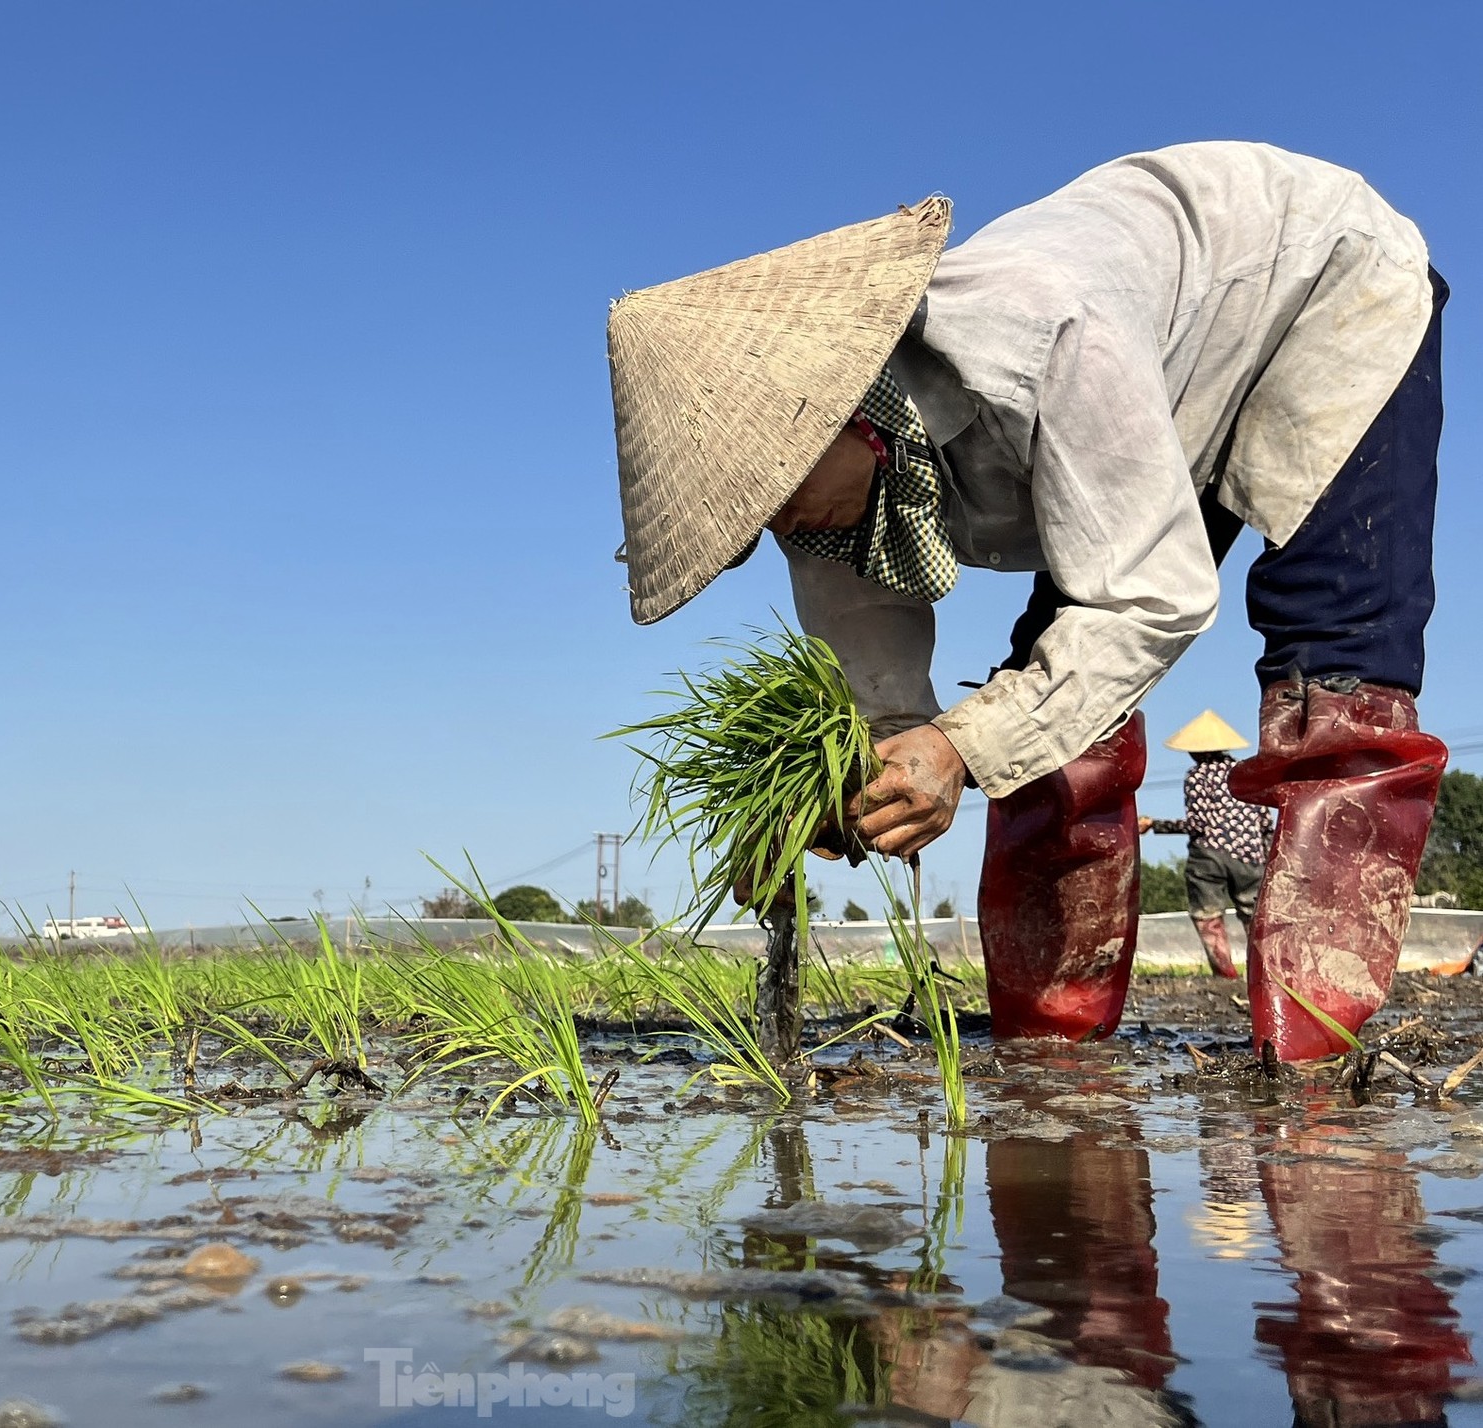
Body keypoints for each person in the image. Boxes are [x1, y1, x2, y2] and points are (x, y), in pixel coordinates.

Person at [607, 142, 1448, 1060]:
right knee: (1060, 718)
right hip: (1162, 366)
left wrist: (962, 746)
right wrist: (855, 775)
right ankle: (1052, 1044)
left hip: (1317, 285)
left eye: (775, 499)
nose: (781, 529)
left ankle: (1312, 1063)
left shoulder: (1043, 344)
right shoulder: (824, 493)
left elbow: (1149, 601)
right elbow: (882, 679)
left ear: (844, 410)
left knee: (1330, 669)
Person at [1138, 710, 1272, 979]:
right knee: (1256, 918)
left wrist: (1155, 825)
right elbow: (1265, 823)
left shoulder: (1197, 776)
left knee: (1208, 917)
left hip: (1209, 857)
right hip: (1251, 857)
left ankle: (1226, 974)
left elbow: (1198, 824)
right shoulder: (1245, 772)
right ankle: (1266, 977)